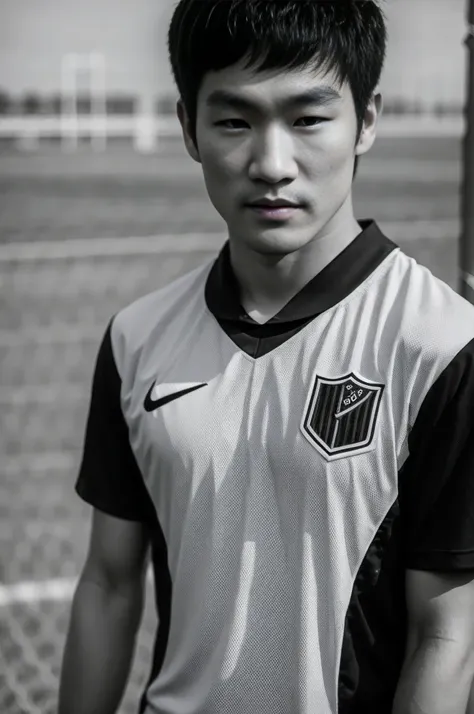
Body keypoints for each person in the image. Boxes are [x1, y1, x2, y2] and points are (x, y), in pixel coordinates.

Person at [58, 1, 474, 713]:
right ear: (189, 128)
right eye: (234, 121)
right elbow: (109, 582)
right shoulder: (137, 337)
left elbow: (448, 637)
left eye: (308, 118)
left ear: (366, 120)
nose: (271, 163)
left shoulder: (441, 346)